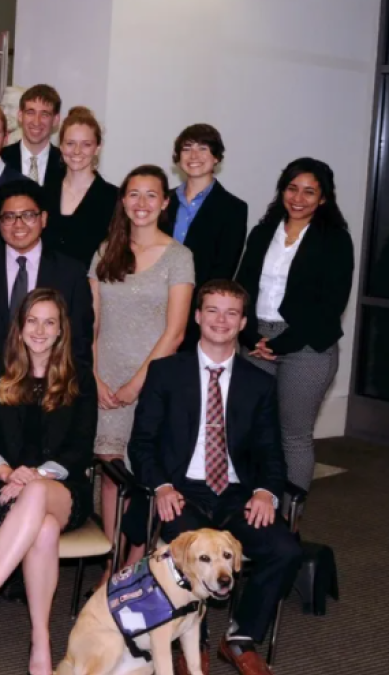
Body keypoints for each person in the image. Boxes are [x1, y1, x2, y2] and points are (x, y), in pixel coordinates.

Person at [124, 279, 302, 675]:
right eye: (213, 311)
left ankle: (240, 637)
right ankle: (194, 640)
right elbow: (141, 444)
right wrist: (161, 485)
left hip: (237, 494)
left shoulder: (259, 384)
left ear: (242, 324)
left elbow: (273, 452)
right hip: (181, 491)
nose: (221, 320)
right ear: (198, 316)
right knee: (186, 548)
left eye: (232, 313)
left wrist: (265, 492)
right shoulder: (166, 373)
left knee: (285, 549)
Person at [0, 289, 97, 675]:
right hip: (6, 486)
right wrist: (8, 473)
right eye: (33, 320)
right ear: (19, 326)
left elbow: (80, 448)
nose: (40, 330)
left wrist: (37, 475)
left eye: (50, 322)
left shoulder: (79, 376)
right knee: (42, 531)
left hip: (62, 488)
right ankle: (42, 641)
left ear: (62, 330)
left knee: (40, 501)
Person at [89, 165, 194, 556]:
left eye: (152, 195)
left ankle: (133, 565)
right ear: (123, 200)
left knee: (145, 472)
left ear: (165, 202)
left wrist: (137, 383)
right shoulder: (106, 250)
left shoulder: (179, 256)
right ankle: (112, 559)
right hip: (106, 377)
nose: (142, 203)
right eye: (133, 193)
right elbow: (92, 321)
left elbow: (177, 331)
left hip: (154, 380)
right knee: (111, 474)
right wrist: (95, 375)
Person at [235, 157, 354, 492]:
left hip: (306, 348)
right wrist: (250, 335)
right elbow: (242, 286)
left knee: (294, 437)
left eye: (309, 192)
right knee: (256, 432)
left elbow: (331, 305)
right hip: (257, 340)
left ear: (324, 199)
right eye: (292, 188)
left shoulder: (335, 240)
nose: (299, 198)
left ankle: (289, 524)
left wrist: (278, 344)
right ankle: (258, 516)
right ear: (282, 190)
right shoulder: (262, 233)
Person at [0, 179, 94, 366]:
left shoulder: (71, 273)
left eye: (28, 215)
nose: (19, 224)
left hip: (52, 384)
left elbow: (80, 342)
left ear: (44, 219)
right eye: (9, 217)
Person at [163, 124, 249, 351]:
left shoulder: (233, 209)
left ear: (216, 158)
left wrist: (192, 310)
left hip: (197, 317)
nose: (194, 156)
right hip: (154, 306)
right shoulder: (162, 201)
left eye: (203, 148)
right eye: (187, 148)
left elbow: (223, 270)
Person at [41, 107, 119, 269]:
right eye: (70, 143)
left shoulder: (113, 198)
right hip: (44, 289)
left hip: (89, 290)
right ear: (61, 146)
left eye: (86, 145)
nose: (77, 151)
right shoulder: (43, 193)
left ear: (97, 148)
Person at [0, 84, 66, 190]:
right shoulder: (0, 159)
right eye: (30, 113)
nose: (36, 121)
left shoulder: (66, 164)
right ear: (20, 116)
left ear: (55, 120)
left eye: (44, 114)